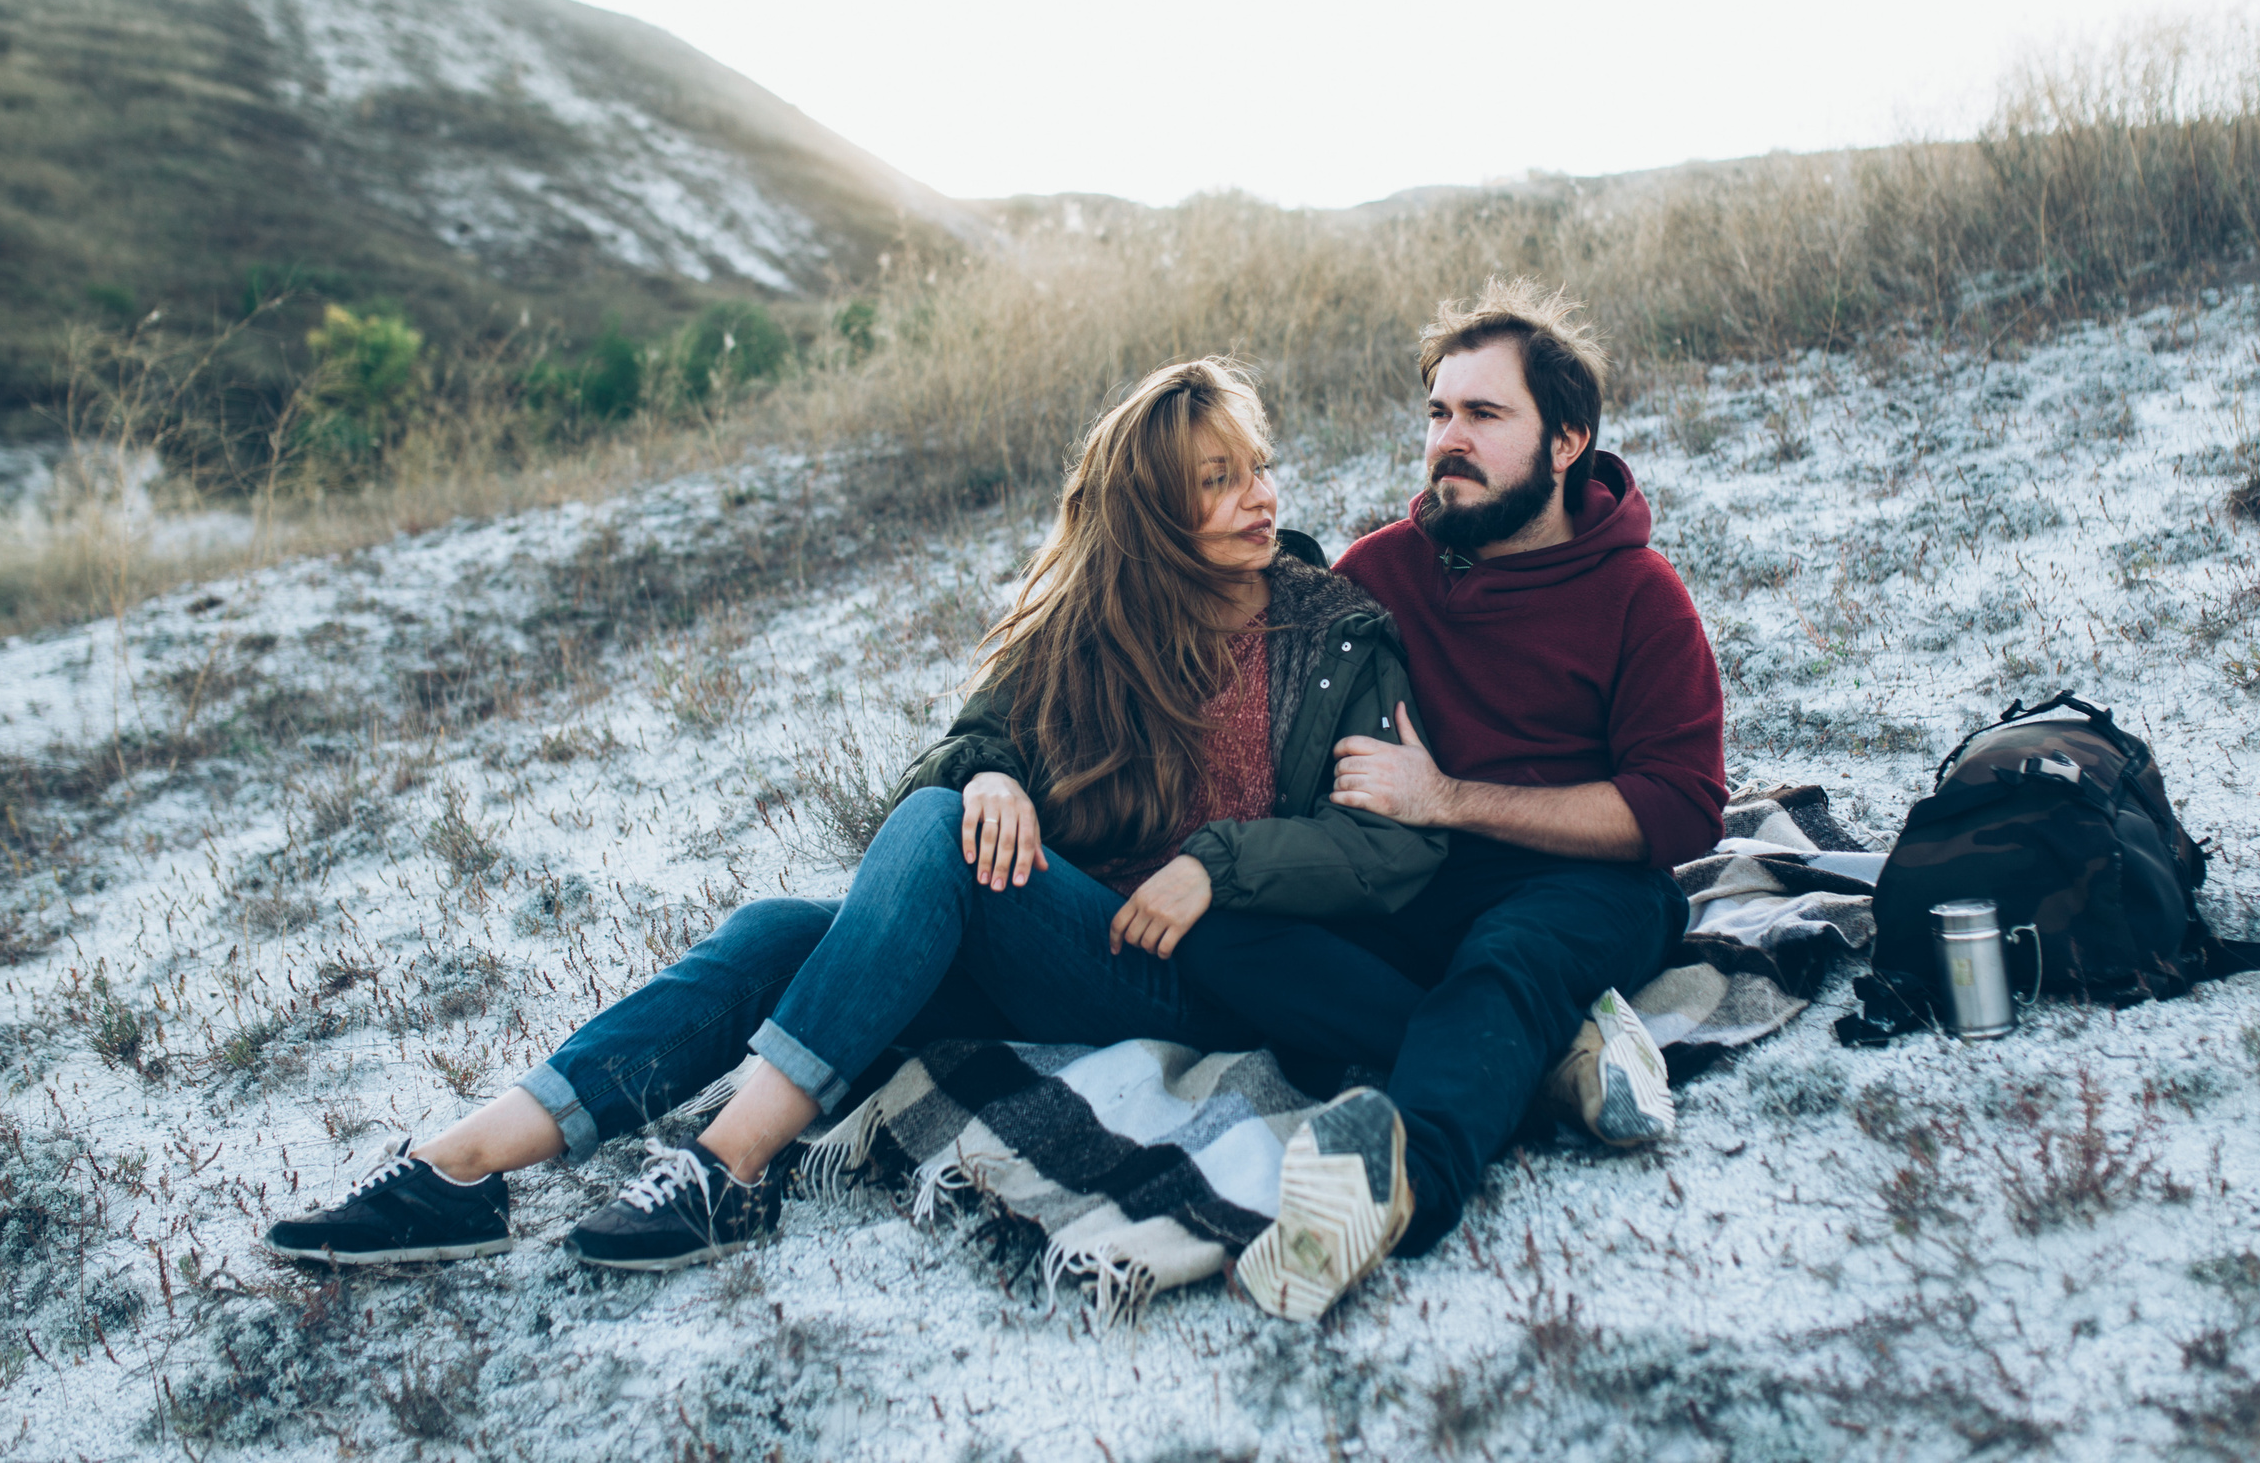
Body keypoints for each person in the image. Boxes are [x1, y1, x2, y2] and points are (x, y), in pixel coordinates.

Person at [263, 358, 1448, 1272]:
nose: (1262, 496)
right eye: (1219, 479)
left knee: (919, 849)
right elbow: (965, 744)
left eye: (1260, 465)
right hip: (1051, 944)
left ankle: (731, 1160)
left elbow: (1388, 852)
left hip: (1192, 970)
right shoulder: (1087, 629)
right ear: (1148, 511)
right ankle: (461, 1168)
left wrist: (1219, 866)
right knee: (787, 925)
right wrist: (986, 772)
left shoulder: (1328, 630)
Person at [1175, 278, 1727, 1322]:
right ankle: (1548, 1057)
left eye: (1483, 415)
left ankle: (1403, 1185)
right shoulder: (1381, 569)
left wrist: (1446, 798)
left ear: (1564, 441)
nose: (1447, 440)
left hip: (1584, 885)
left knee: (1508, 960)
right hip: (1408, 881)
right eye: (1437, 412)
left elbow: (1683, 809)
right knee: (1221, 929)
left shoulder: (1637, 594)